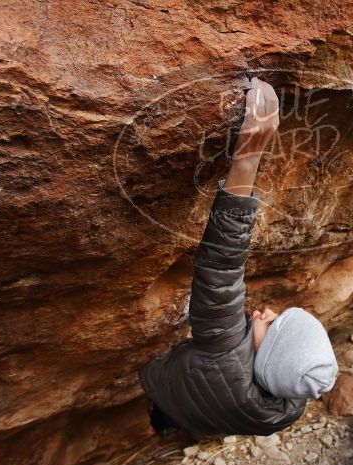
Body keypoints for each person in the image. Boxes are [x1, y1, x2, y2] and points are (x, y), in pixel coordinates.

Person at [140, 77, 338, 436]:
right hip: (207, 414)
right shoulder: (285, 411)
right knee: (178, 419)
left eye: (272, 325)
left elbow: (221, 265)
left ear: (269, 360)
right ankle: (167, 427)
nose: (266, 312)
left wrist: (248, 155)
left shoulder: (225, 349)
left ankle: (161, 421)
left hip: (165, 388)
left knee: (166, 407)